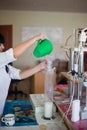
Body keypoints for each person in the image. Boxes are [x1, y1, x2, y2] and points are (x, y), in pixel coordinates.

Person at [0, 33, 47, 117]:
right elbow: (13, 54)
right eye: (0, 44)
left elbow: (20, 74)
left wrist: (40, 67)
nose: (3, 47)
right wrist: (35, 38)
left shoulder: (5, 66)